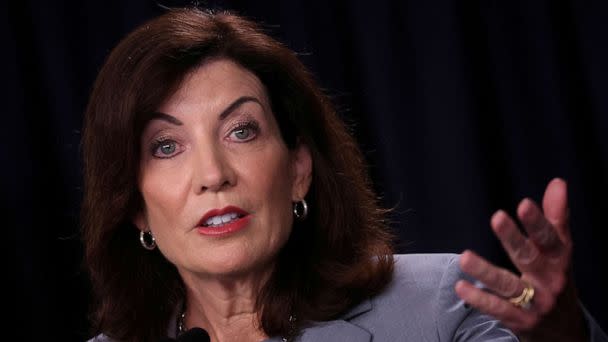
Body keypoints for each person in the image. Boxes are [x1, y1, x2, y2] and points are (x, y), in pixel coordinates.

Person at [81, 7, 607, 342]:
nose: (212, 174)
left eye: (241, 131)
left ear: (299, 170)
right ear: (134, 204)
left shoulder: (439, 307)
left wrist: (561, 338)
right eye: (167, 146)